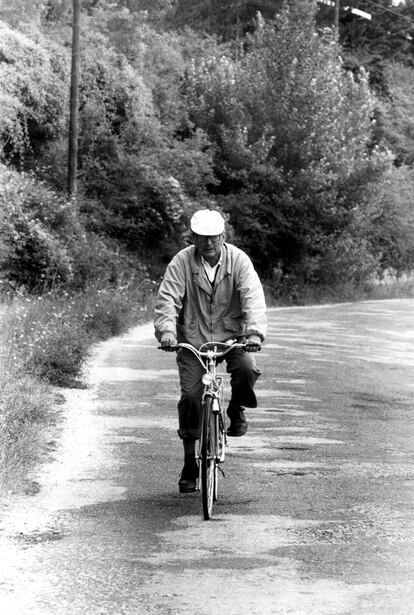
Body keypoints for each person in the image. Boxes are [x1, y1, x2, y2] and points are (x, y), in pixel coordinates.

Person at [154, 209, 267, 493]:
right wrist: (167, 332)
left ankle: (236, 409)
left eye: (213, 237)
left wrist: (253, 333)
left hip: (231, 338)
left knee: (247, 368)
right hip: (193, 341)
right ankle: (189, 463)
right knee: (191, 397)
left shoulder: (239, 260)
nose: (208, 243)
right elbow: (168, 298)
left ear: (223, 236)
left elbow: (252, 296)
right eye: (202, 238)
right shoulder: (181, 262)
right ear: (193, 238)